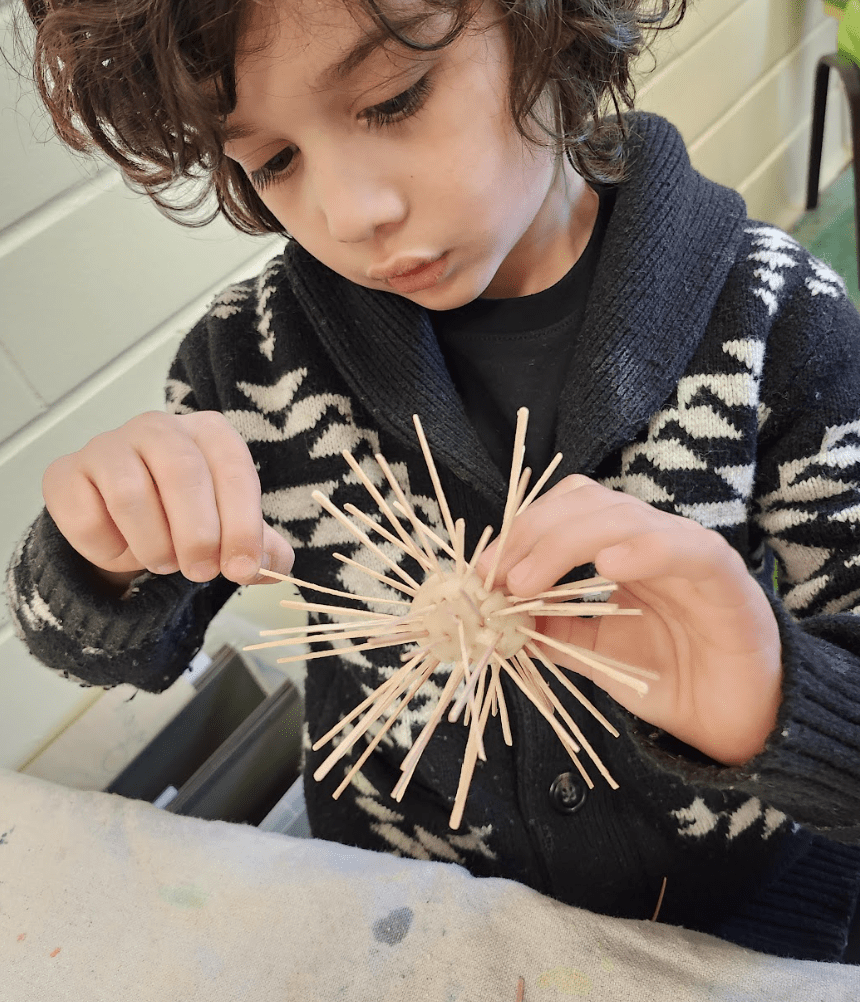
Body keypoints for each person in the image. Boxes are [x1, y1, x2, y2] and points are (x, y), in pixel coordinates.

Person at [7, 0, 860, 963]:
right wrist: (99, 558)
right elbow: (103, 649)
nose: (351, 211)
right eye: (273, 161)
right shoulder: (251, 364)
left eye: (395, 97)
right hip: (397, 918)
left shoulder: (776, 320)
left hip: (733, 925)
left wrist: (780, 700)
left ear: (548, 23)